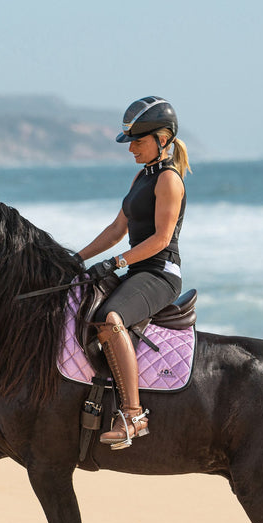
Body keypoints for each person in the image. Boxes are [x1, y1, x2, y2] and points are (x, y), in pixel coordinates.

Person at [75, 96, 191, 450]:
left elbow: (160, 239)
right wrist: (73, 258)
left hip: (160, 274)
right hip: (136, 269)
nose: (132, 150)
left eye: (138, 142)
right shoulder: (142, 176)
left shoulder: (169, 180)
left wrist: (115, 262)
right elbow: (115, 230)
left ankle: (133, 414)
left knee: (111, 319)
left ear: (164, 139)